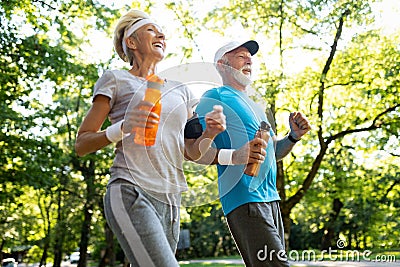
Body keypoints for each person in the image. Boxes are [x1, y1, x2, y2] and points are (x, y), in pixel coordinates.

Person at [74, 9, 225, 267]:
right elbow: (82, 144)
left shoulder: (180, 89)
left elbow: (191, 152)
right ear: (131, 42)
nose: (161, 34)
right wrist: (122, 127)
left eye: (161, 31)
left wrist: (209, 133)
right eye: (151, 30)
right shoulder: (116, 79)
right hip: (130, 190)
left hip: (169, 197)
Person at [186, 40, 311, 266]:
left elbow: (273, 151)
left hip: (271, 199)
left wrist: (293, 136)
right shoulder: (214, 97)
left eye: (249, 57)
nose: (249, 60)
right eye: (241, 56)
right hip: (244, 198)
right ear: (222, 65)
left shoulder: (256, 105)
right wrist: (234, 155)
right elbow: (195, 151)